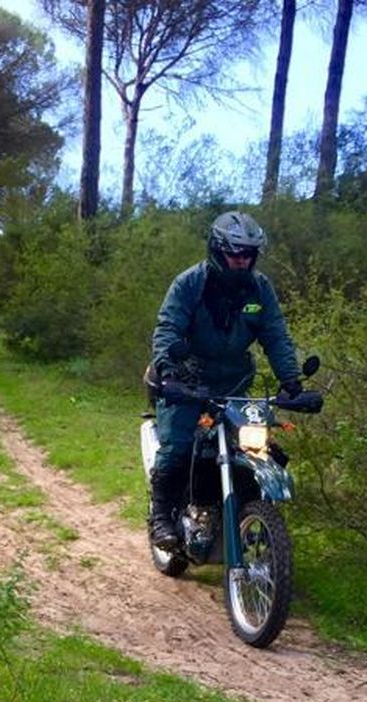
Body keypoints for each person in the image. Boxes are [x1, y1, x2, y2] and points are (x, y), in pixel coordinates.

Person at [145, 210, 302, 550]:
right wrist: (169, 372)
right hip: (188, 382)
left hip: (234, 385)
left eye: (248, 254)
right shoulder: (190, 284)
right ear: (217, 251)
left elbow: (275, 334)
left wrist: (292, 381)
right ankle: (159, 516)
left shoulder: (260, 289)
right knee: (178, 447)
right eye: (234, 254)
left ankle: (251, 517)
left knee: (263, 450)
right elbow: (168, 327)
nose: (241, 261)